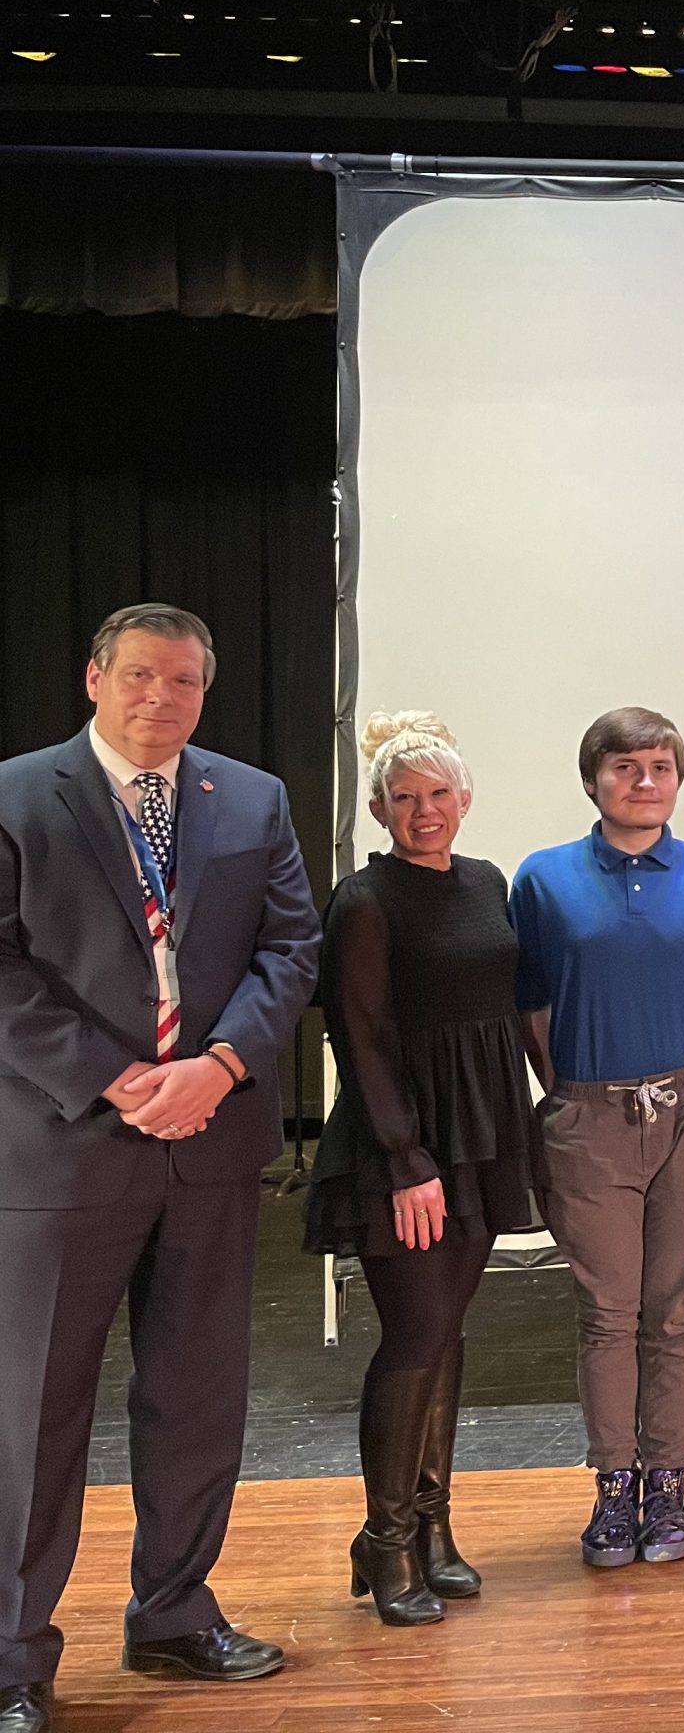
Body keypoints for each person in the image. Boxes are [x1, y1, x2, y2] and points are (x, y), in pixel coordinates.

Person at [0, 603, 320, 1733]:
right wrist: (120, 1078)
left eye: (182, 682)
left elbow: (291, 946)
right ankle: (13, 1659)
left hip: (212, 1147)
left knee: (197, 1398)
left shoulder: (253, 798)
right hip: (64, 1148)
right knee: (36, 1412)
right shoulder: (15, 794)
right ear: (94, 678)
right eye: (139, 676)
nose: (160, 699)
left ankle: (174, 1612)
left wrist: (222, 1064)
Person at [305, 713, 542, 1627]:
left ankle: (433, 1528)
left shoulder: (486, 882)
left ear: (465, 801)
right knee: (413, 1336)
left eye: (439, 795)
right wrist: (407, 1160)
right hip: (401, 1146)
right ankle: (386, 1538)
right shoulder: (364, 900)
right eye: (404, 799)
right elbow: (358, 1034)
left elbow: (507, 1003)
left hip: (482, 1134)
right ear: (378, 809)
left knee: (447, 1332)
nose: (424, 811)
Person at [511, 707, 684, 1571]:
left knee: (677, 1310)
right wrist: (573, 1092)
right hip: (590, 1118)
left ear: (679, 779)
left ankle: (669, 1481)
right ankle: (614, 1486)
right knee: (607, 1312)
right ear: (592, 779)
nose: (644, 781)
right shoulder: (544, 879)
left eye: (660, 767)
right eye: (625, 767)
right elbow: (531, 1002)